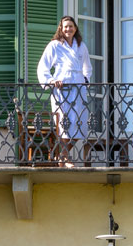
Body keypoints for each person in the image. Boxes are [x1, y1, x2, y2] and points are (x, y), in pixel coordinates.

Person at [38, 16, 92, 167]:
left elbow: (88, 67)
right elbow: (43, 66)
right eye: (65, 26)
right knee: (64, 123)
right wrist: (51, 81)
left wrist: (86, 80)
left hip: (79, 88)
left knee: (79, 123)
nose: (68, 29)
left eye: (71, 26)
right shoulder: (55, 45)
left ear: (75, 28)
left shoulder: (81, 46)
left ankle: (62, 156)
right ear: (61, 29)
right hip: (62, 89)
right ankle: (65, 158)